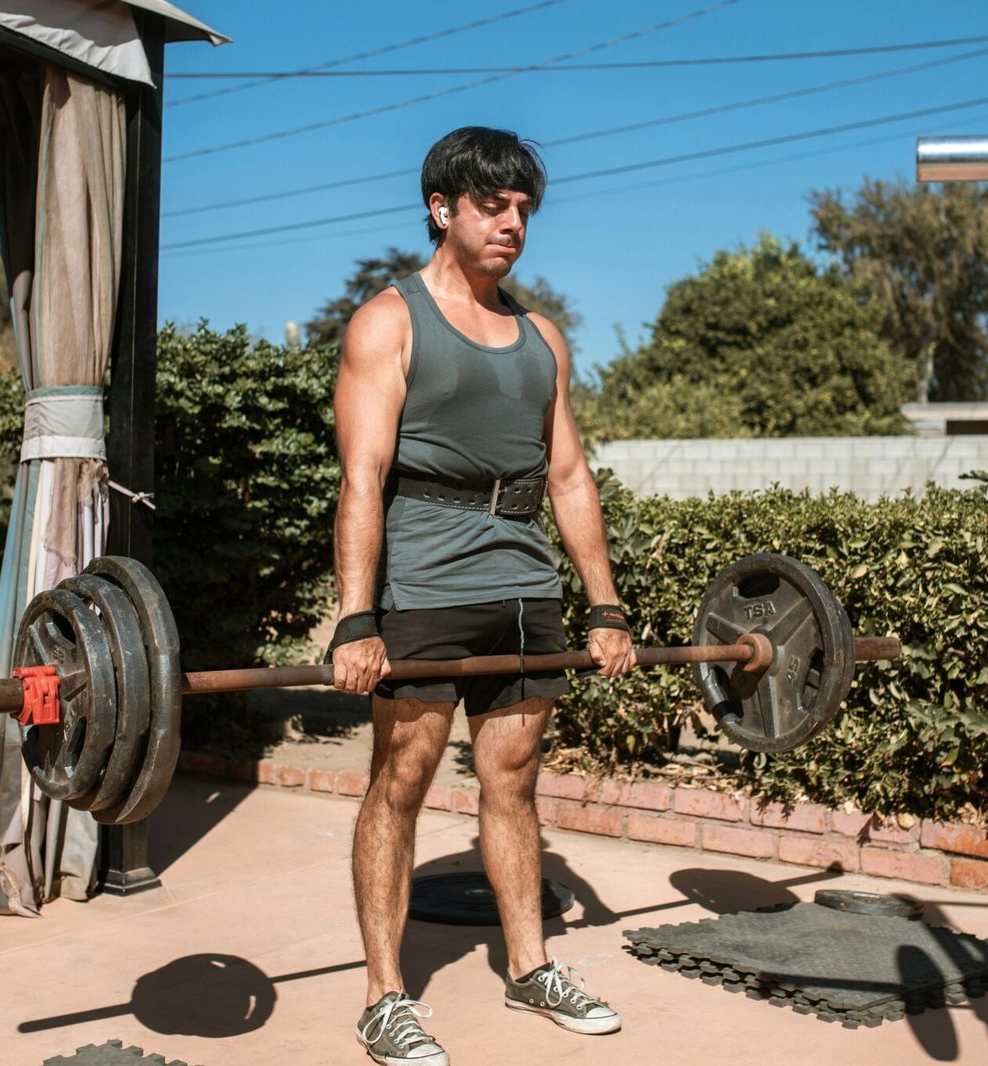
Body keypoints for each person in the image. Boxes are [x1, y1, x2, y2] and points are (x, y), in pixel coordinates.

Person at [330, 126, 636, 1066]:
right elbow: (363, 477)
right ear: (442, 208)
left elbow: (571, 477)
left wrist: (605, 604)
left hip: (523, 584)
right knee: (403, 782)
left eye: (524, 210)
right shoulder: (390, 320)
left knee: (512, 780)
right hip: (424, 584)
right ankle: (385, 995)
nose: (513, 224)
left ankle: (531, 966)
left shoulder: (542, 337)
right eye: (493, 206)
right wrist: (356, 617)